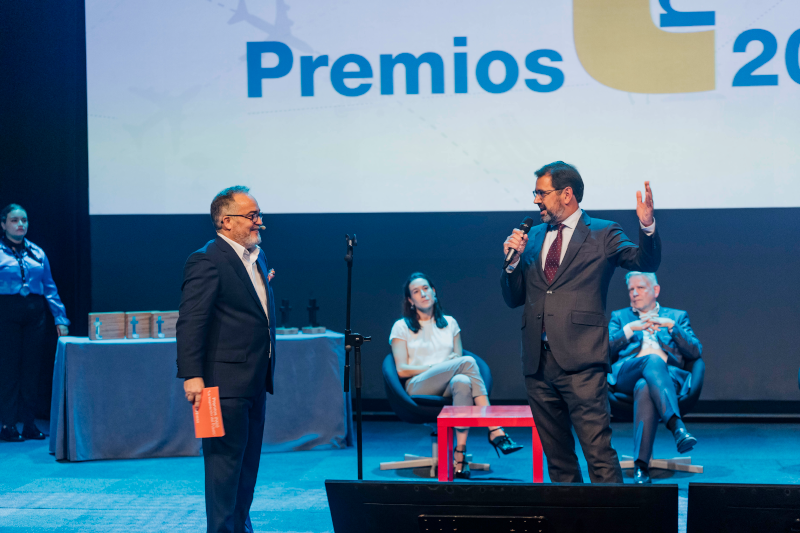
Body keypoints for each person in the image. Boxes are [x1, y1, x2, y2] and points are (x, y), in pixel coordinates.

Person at [501, 161, 660, 484]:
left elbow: (643, 261)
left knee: (598, 455)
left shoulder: (602, 232)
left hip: (582, 363)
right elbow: (514, 298)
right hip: (538, 364)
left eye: (541, 193)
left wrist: (647, 227)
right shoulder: (530, 237)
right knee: (558, 462)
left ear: (567, 194)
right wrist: (512, 265)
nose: (535, 201)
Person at [176, 186, 276, 533]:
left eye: (259, 215)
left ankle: (239, 527)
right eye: (252, 216)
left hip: (254, 381)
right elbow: (192, 321)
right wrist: (192, 375)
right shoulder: (207, 259)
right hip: (219, 387)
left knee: (247, 468)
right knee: (223, 470)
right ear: (225, 220)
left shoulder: (256, 258)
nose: (259, 222)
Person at [390, 272, 522, 479]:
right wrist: (437, 365)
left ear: (434, 292)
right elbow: (402, 370)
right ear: (410, 300)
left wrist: (449, 365)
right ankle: (494, 428)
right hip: (416, 385)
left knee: (462, 381)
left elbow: (458, 363)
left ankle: (459, 455)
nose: (423, 294)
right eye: (416, 291)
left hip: (447, 384)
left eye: (426, 288)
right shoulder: (401, 326)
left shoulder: (450, 323)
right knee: (467, 363)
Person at [608, 271, 702, 484]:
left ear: (655, 290)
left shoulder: (676, 317)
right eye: (631, 289)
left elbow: (695, 352)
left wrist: (671, 326)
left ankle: (641, 466)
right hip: (626, 375)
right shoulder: (620, 317)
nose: (634, 293)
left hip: (666, 378)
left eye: (640, 288)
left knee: (645, 385)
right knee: (651, 360)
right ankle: (677, 426)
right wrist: (630, 329)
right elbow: (602, 349)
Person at [0, 204, 69, 442]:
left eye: (24, 220)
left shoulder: (37, 253)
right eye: (15, 220)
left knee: (32, 369)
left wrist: (60, 318)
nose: (21, 224)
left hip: (34, 313)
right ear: (3, 224)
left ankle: (29, 423)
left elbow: (50, 288)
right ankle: (8, 424)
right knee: (8, 369)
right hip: (6, 313)